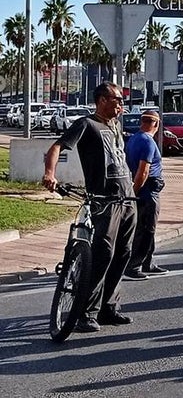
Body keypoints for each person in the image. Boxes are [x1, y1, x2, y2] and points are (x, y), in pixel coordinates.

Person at [41, 82, 137, 333]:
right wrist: (50, 174)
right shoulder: (86, 124)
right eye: (117, 99)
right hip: (104, 201)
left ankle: (109, 307)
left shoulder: (115, 126)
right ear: (102, 99)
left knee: (123, 253)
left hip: (127, 199)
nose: (120, 105)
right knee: (103, 253)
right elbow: (56, 147)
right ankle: (86, 312)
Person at [124, 110, 166, 280]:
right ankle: (134, 266)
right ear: (156, 124)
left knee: (148, 227)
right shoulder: (148, 142)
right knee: (146, 229)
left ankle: (148, 262)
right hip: (147, 190)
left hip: (144, 188)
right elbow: (143, 171)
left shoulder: (134, 139)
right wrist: (135, 191)